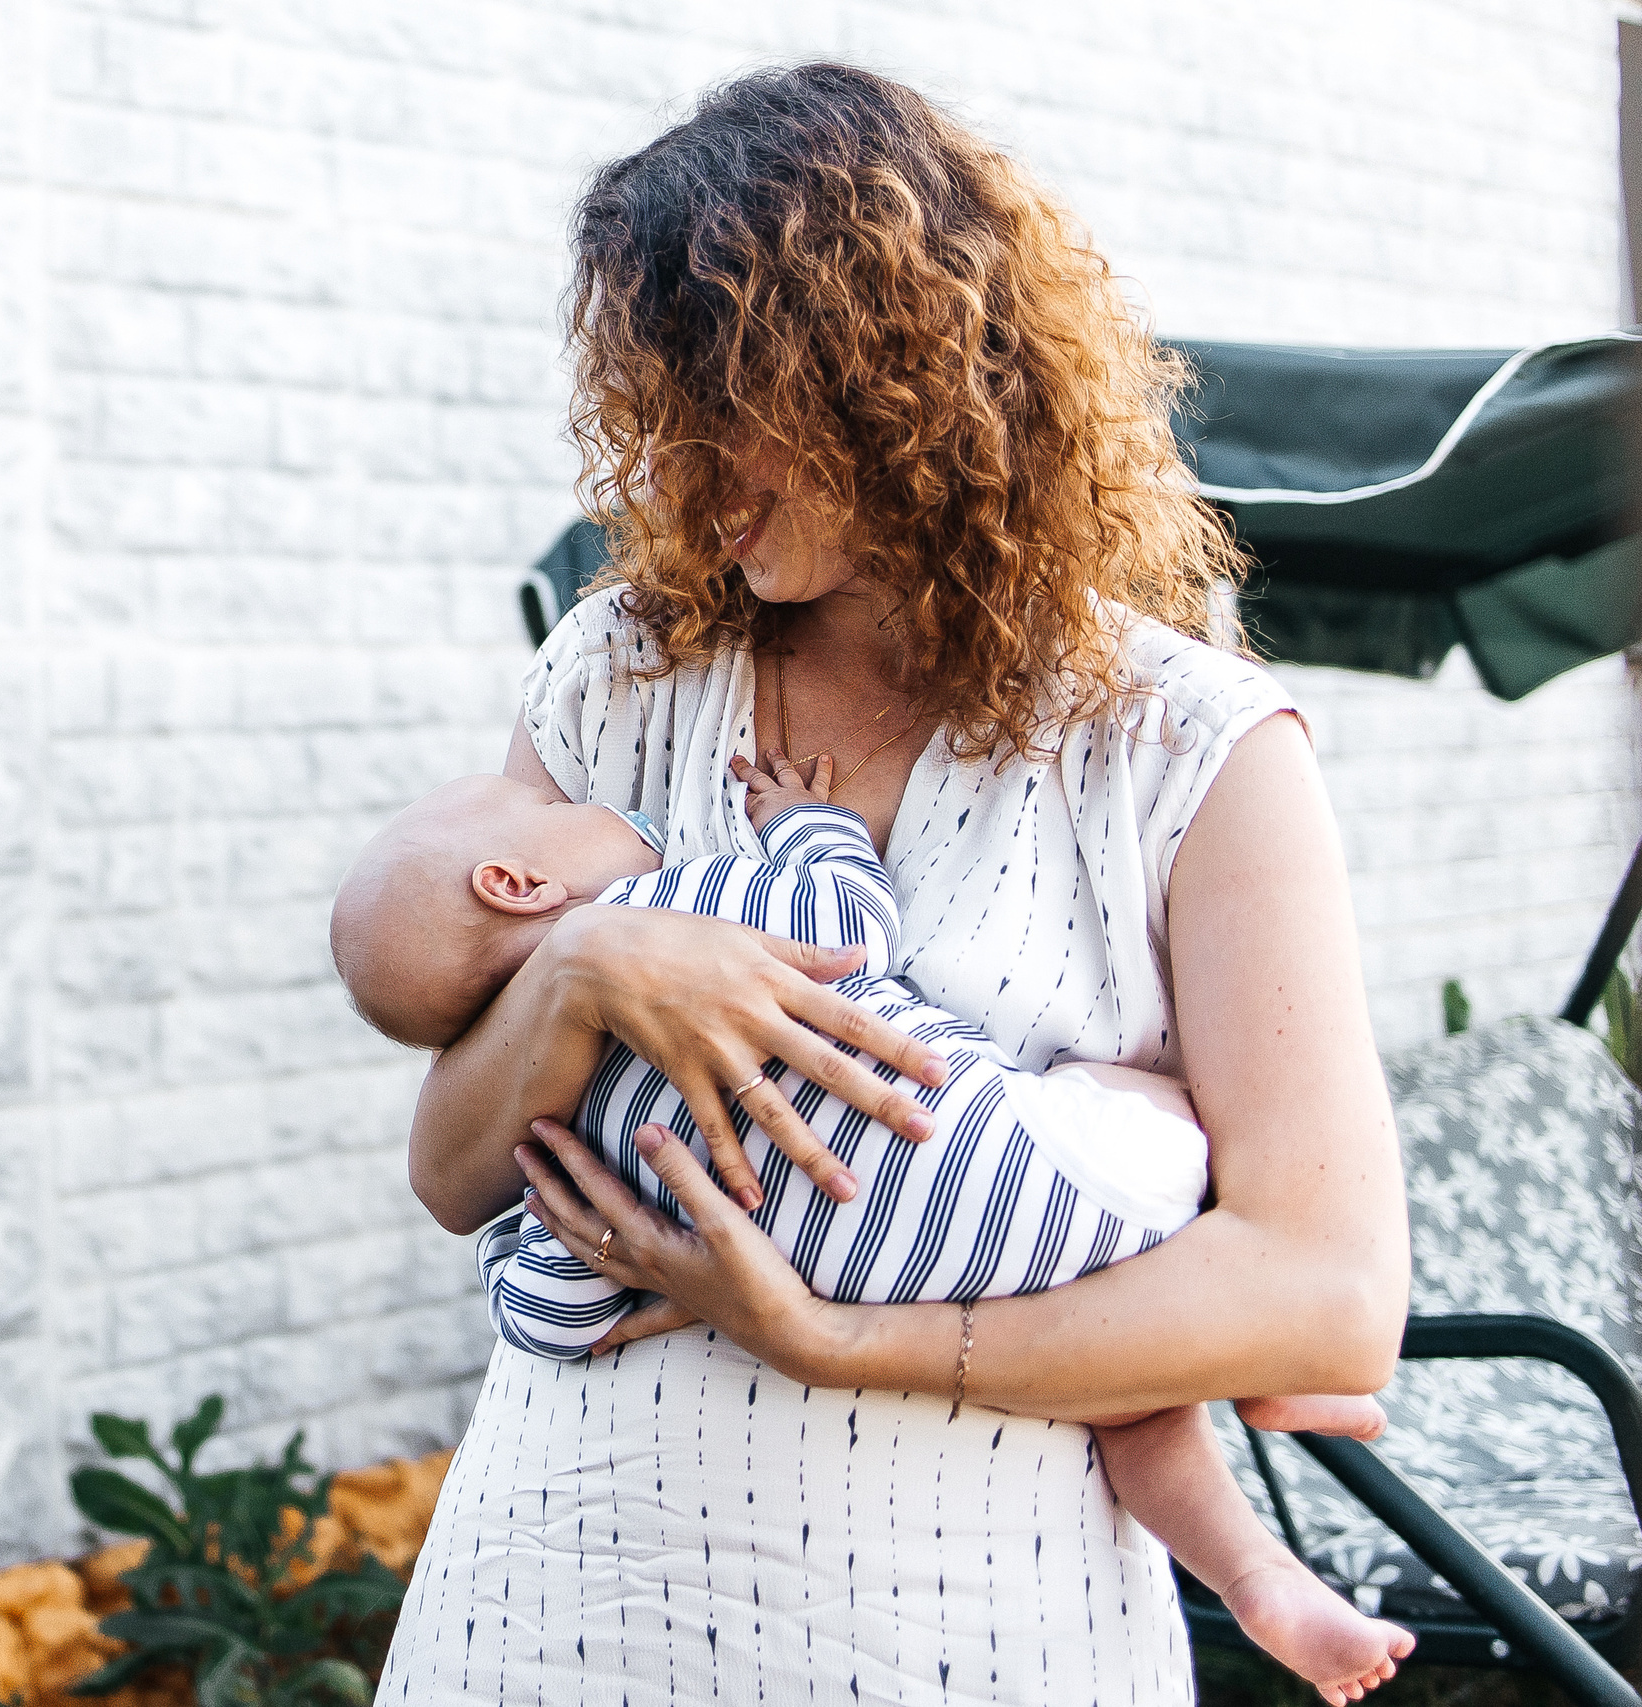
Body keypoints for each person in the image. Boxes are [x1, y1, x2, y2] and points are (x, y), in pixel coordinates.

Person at [353, 62, 1410, 1707]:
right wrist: (581, 973)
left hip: (968, 1633)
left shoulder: (1185, 747)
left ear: (898, 377)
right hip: (554, 1612)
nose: (690, 481)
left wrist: (842, 1340)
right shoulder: (624, 677)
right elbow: (450, 1166)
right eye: (662, 411)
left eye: (738, 409)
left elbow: (1328, 1292)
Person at [332, 755, 1412, 1703]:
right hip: (1037, 1190)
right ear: (517, 884)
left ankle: (1254, 1569)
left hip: (876, 1274)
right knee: (1144, 1108)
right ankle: (1249, 1396)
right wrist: (808, 826)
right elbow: (855, 929)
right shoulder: (688, 903)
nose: (578, 797)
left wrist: (528, 1231)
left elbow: (553, 1315)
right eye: (532, 801)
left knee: (1129, 1403)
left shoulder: (564, 1131)